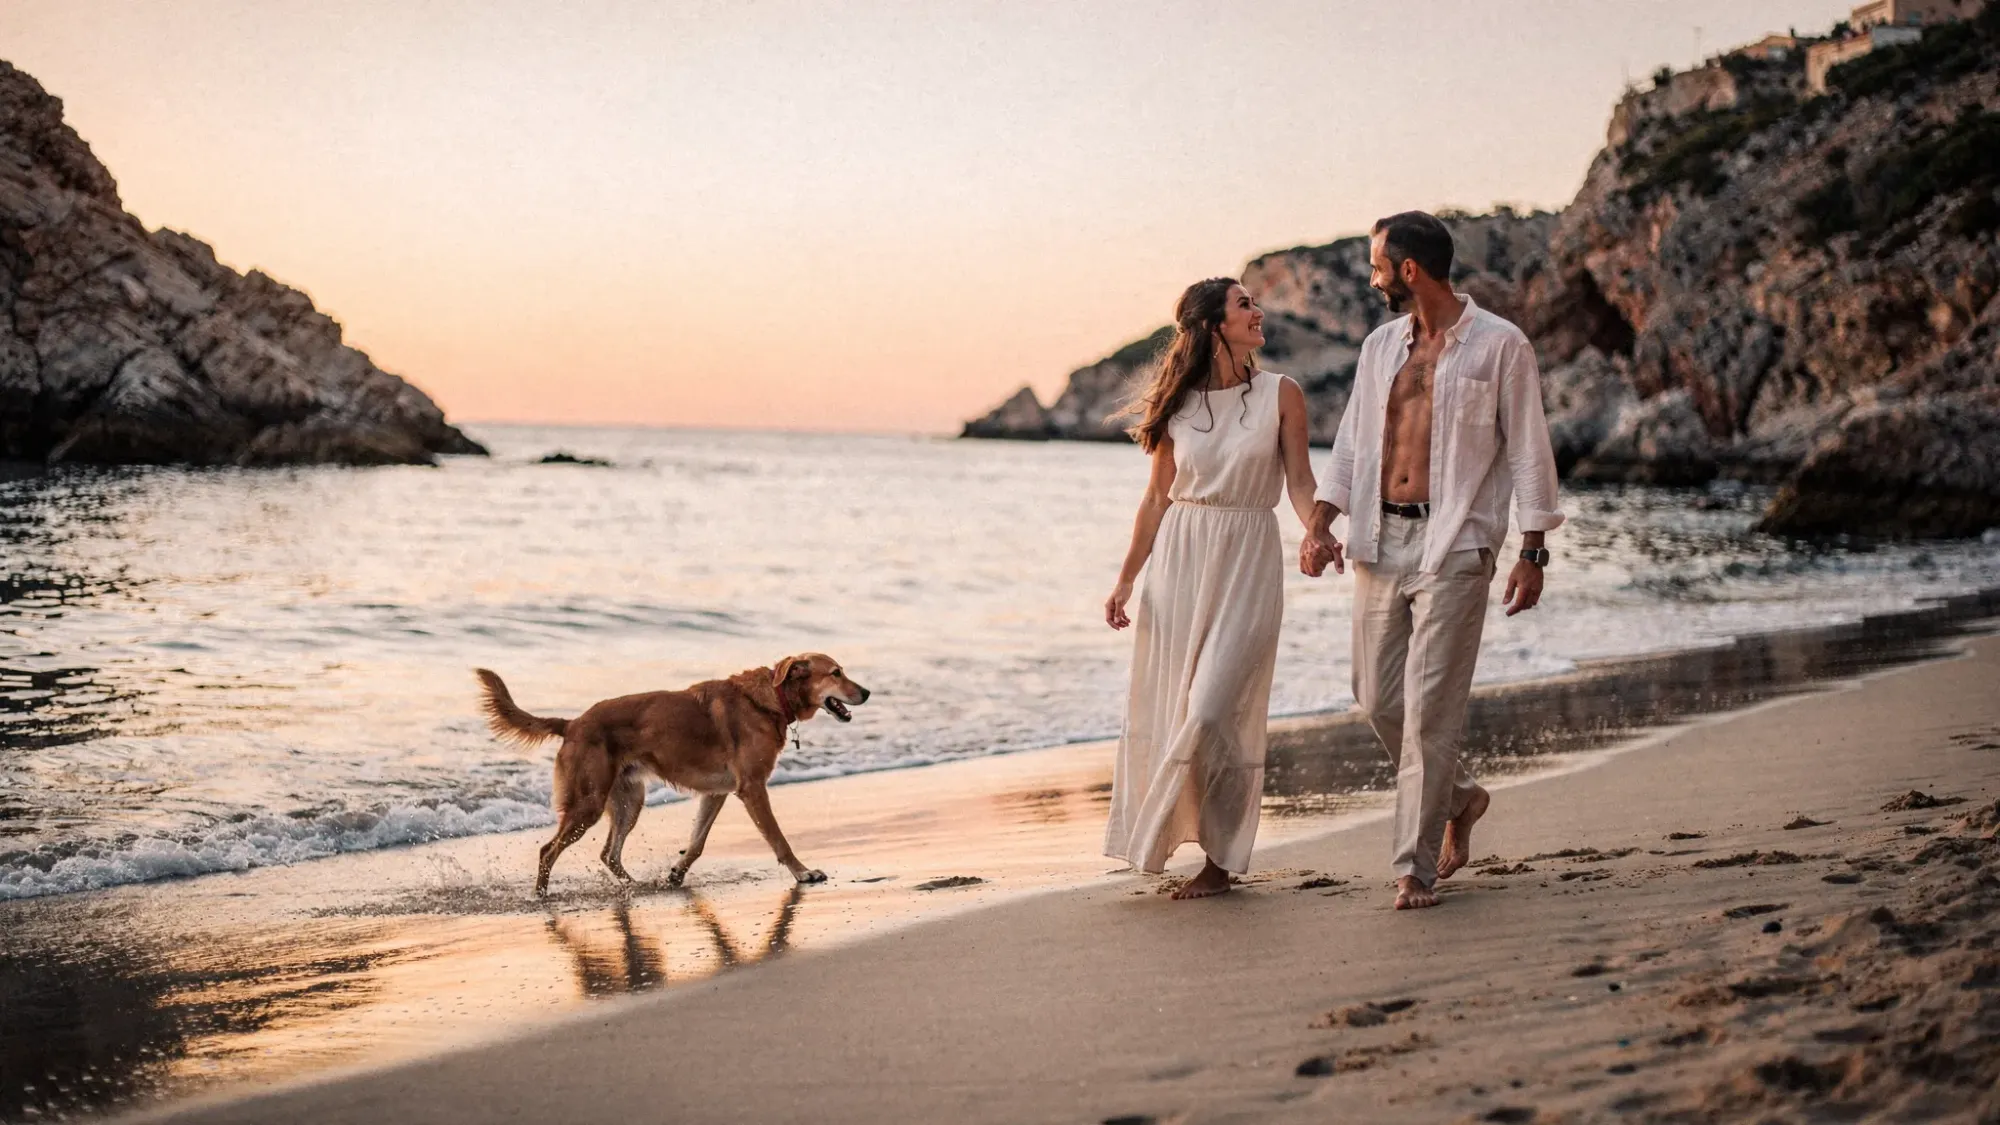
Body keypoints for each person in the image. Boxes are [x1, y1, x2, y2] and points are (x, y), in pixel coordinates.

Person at [1301, 211, 1565, 911]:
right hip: (1379, 538)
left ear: (1408, 270)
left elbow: (1529, 449)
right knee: (1377, 698)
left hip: (1459, 541)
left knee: (1429, 712)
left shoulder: (1502, 346)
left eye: (1376, 264)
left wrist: (1533, 550)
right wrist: (1320, 522)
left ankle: (1411, 868)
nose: (1371, 275)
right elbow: (1354, 445)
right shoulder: (1380, 347)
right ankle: (1461, 797)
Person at [1102, 277, 1321, 900]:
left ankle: (1212, 855)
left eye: (1254, 301)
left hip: (1249, 558)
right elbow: (1155, 499)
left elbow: (1301, 482)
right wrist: (1125, 579)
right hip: (1180, 563)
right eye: (1244, 304)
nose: (1259, 311)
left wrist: (1317, 533)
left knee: (1213, 709)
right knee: (1179, 706)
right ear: (1212, 325)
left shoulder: (1283, 393)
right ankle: (1196, 852)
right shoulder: (1179, 406)